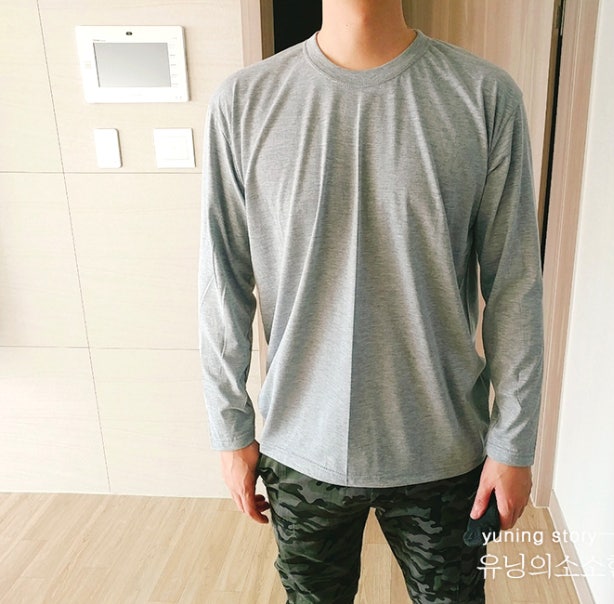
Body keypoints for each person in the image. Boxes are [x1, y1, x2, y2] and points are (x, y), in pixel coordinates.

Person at [198, 0, 544, 601]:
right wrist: (230, 428)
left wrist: (514, 442)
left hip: (443, 449)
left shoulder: (485, 97)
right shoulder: (243, 103)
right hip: (301, 446)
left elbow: (514, 282)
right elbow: (221, 278)